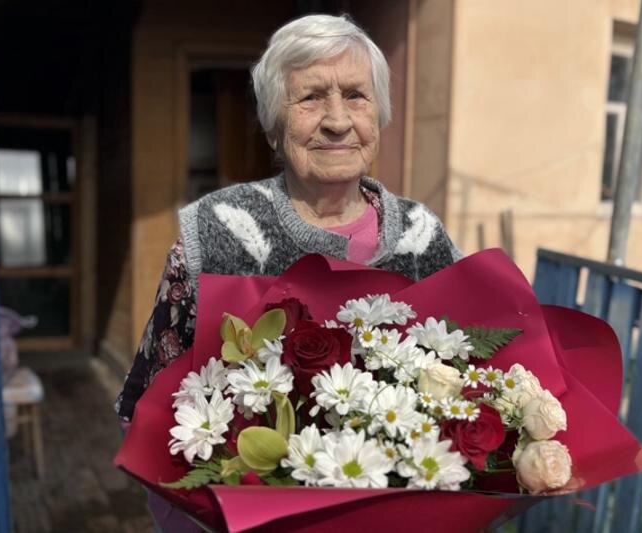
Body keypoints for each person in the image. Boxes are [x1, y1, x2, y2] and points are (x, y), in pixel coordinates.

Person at [116, 13, 463, 531]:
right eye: (311, 98)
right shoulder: (218, 229)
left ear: (380, 117)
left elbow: (469, 388)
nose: (337, 120)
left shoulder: (422, 237)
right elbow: (148, 404)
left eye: (356, 96)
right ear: (275, 126)